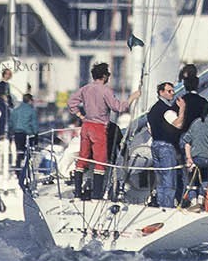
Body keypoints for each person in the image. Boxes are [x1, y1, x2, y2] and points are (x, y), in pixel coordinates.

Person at [67, 62, 138, 200]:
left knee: (82, 158)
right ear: (105, 76)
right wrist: (131, 98)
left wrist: (81, 116)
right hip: (99, 127)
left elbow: (71, 103)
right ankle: (97, 194)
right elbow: (118, 107)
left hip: (86, 125)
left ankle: (77, 192)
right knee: (101, 161)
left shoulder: (85, 89)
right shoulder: (106, 91)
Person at [145, 80, 185, 208]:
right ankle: (167, 206)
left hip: (155, 144)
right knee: (169, 179)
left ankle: (160, 205)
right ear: (161, 92)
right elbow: (178, 124)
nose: (172, 93)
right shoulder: (166, 110)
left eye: (173, 90)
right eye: (169, 91)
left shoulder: (152, 110)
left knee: (160, 179)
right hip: (166, 146)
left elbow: (149, 129)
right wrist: (182, 109)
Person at [8, 92, 38, 186]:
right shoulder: (31, 110)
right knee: (28, 153)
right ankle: (26, 172)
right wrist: (36, 135)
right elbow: (33, 124)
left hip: (17, 133)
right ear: (30, 101)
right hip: (27, 134)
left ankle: (17, 172)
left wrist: (11, 132)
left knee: (19, 152)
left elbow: (11, 122)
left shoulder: (16, 110)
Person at [0, 67, 15, 144]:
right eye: (8, 74)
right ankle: (1, 138)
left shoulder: (7, 84)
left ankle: (7, 137)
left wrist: (11, 104)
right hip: (2, 107)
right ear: (4, 75)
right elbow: (1, 95)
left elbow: (8, 96)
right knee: (3, 123)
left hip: (7, 107)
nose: (10, 76)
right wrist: (5, 101)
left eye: (10, 74)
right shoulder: (1, 84)